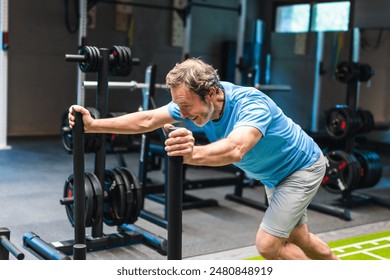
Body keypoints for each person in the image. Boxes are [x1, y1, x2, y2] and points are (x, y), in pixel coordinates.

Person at [68, 58, 339, 260]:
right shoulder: (197, 102)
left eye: (186, 106)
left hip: (301, 168)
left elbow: (235, 149)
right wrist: (94, 125)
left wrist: (193, 154)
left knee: (268, 244)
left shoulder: (251, 103)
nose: (183, 114)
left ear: (211, 92)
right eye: (179, 106)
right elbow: (148, 119)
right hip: (272, 174)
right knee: (299, 238)